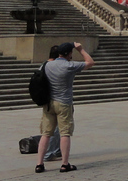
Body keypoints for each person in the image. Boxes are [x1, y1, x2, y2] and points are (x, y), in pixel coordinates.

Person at [35, 42, 94, 173]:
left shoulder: (47, 65)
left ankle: (39, 164)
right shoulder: (69, 66)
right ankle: (64, 164)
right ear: (69, 54)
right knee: (65, 133)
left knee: (46, 134)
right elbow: (90, 62)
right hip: (64, 103)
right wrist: (81, 49)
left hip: (49, 103)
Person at [43, 46, 62, 162]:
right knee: (55, 129)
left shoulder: (43, 66)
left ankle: (55, 150)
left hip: (47, 101)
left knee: (51, 128)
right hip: (57, 100)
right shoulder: (55, 67)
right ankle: (50, 152)